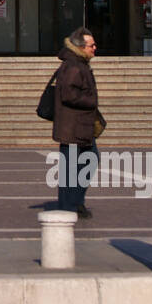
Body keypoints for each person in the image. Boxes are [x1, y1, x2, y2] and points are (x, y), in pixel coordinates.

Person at [53, 27, 103, 219]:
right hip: (73, 126)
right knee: (79, 165)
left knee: (82, 163)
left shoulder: (78, 63)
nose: (95, 48)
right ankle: (69, 204)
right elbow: (69, 95)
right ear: (81, 47)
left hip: (79, 126)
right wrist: (91, 100)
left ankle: (74, 202)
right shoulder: (74, 66)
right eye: (91, 45)